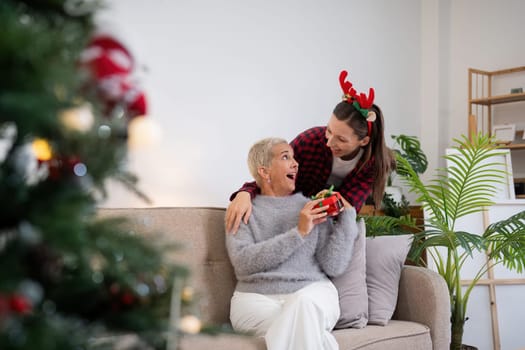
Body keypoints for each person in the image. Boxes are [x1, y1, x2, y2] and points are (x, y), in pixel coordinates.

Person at [226, 137, 358, 350]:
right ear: (265, 172)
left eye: (294, 157)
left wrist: (348, 215)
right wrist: (299, 233)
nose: (296, 163)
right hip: (255, 301)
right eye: (286, 157)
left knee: (303, 305)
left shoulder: (311, 207)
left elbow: (334, 265)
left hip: (313, 291)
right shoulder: (241, 210)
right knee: (306, 320)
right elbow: (244, 263)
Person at [225, 70, 394, 234]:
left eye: (341, 139)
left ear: (363, 141)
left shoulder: (372, 164)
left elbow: (349, 211)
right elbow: (275, 174)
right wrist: (245, 193)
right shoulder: (311, 140)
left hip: (326, 230)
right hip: (290, 219)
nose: (329, 142)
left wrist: (329, 201)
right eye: (329, 131)